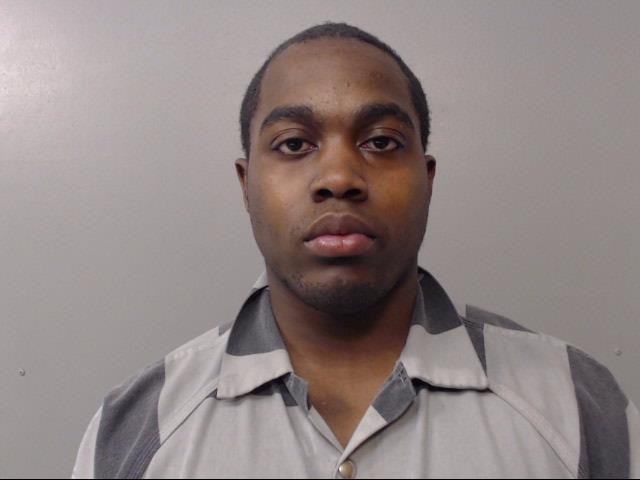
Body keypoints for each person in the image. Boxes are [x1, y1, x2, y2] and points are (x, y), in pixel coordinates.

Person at [72, 22, 639, 479]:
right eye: (294, 144)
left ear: (427, 179)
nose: (339, 177)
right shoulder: (137, 428)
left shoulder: (574, 405)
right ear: (247, 185)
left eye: (381, 142)